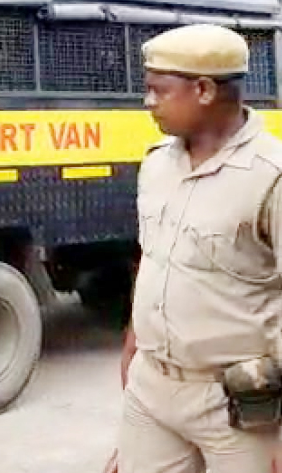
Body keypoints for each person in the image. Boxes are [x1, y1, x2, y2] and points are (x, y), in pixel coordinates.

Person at [109, 24, 282, 473]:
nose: (147, 102)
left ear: (204, 90)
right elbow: (153, 260)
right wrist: (133, 349)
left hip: (240, 403)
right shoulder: (156, 164)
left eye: (159, 90)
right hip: (152, 389)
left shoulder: (270, 176)